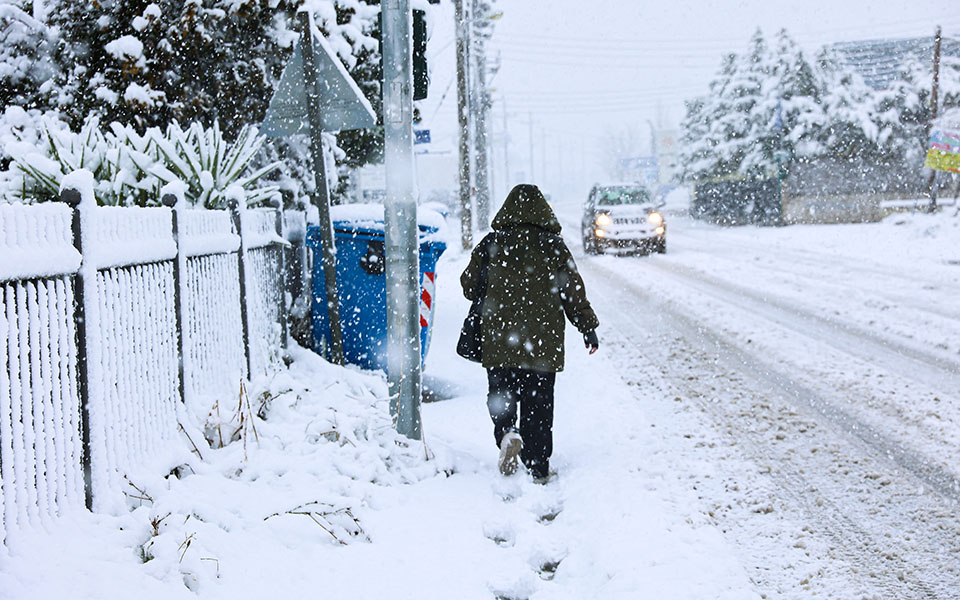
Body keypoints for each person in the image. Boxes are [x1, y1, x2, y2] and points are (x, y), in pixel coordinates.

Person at [460, 184, 599, 483]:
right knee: (539, 404)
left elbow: (468, 286)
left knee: (502, 394)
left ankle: (508, 432)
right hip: (542, 341)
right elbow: (572, 291)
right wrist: (587, 327)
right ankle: (537, 465)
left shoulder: (492, 243)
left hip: (499, 340)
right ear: (543, 211)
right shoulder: (554, 246)